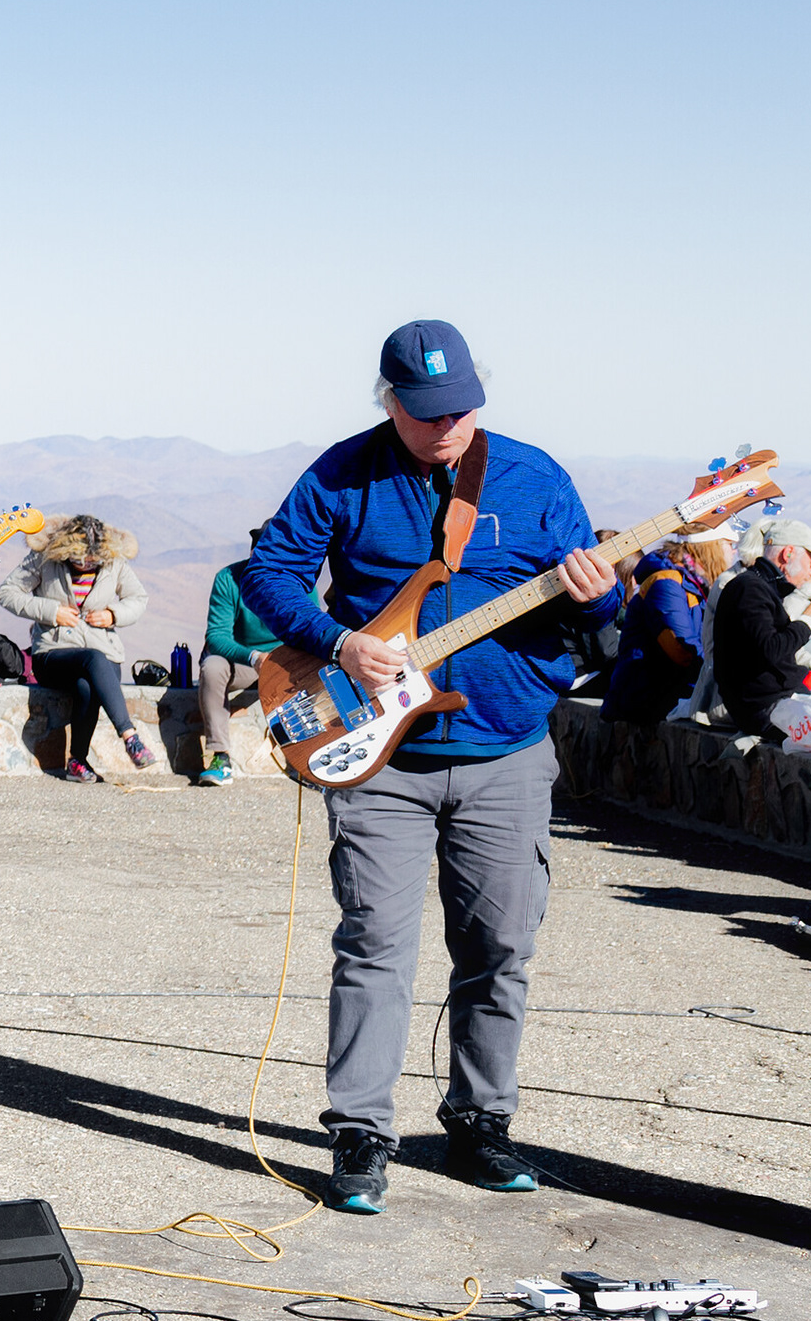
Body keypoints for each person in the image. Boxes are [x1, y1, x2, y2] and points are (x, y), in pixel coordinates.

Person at [235, 320, 615, 1213]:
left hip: (508, 749)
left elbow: (600, 619)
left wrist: (606, 595)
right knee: (374, 945)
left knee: (500, 948)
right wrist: (340, 639)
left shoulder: (535, 475)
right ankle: (361, 1133)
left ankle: (481, 1124)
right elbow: (268, 571)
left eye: (463, 408)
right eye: (427, 411)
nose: (448, 426)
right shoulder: (342, 470)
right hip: (381, 759)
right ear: (390, 402)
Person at [0, 516, 154, 780]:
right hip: (54, 653)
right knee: (92, 660)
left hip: (104, 655)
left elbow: (138, 598)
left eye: (93, 560)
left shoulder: (114, 561)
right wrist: (51, 611)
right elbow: (8, 592)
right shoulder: (44, 558)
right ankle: (130, 736)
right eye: (79, 559)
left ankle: (77, 762)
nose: (86, 564)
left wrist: (113, 615)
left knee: (87, 685)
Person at [602, 526, 734, 725]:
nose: (734, 552)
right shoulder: (666, 584)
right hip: (645, 700)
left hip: (666, 693)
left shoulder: (695, 583)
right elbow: (682, 650)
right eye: (729, 544)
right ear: (710, 547)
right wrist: (722, 676)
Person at [708, 517, 811, 734]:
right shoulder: (750, 589)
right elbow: (770, 649)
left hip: (766, 704)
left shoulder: (756, 586)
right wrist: (807, 621)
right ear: (788, 554)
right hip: (764, 708)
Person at [197, 560, 288, 782]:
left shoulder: (298, 577)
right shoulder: (229, 578)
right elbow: (217, 636)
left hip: (285, 663)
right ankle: (220, 757)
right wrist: (253, 657)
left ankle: (307, 757)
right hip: (242, 662)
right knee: (212, 667)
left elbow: (309, 628)